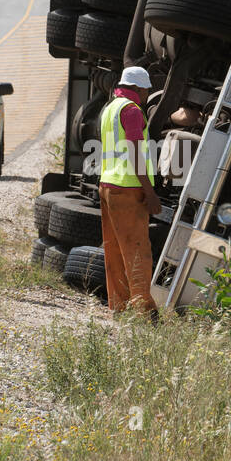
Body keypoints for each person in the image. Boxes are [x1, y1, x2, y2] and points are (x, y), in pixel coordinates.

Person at [98, 66, 160, 317]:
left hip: (107, 185)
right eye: (146, 91)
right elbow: (134, 152)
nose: (146, 96)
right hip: (128, 188)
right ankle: (144, 311)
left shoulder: (110, 107)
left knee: (113, 249)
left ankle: (120, 308)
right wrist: (150, 192)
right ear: (139, 89)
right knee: (137, 251)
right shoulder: (132, 110)